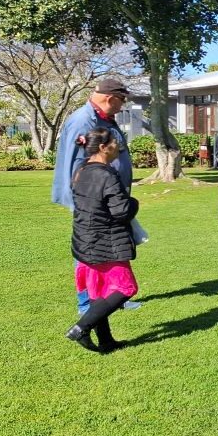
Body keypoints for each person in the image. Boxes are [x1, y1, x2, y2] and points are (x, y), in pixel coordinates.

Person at [52, 77, 138, 313]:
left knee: (110, 246)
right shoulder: (84, 120)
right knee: (88, 248)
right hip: (92, 199)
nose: (122, 106)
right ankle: (87, 304)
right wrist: (85, 200)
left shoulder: (103, 118)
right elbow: (74, 164)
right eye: (121, 100)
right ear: (110, 98)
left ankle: (112, 295)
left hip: (108, 195)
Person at [65, 128, 141, 352]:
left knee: (100, 292)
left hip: (84, 239)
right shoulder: (107, 174)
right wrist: (134, 202)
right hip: (105, 242)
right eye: (115, 142)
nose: (118, 146)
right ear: (102, 147)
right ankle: (81, 328)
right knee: (127, 288)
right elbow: (122, 212)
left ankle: (106, 340)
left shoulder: (81, 169)